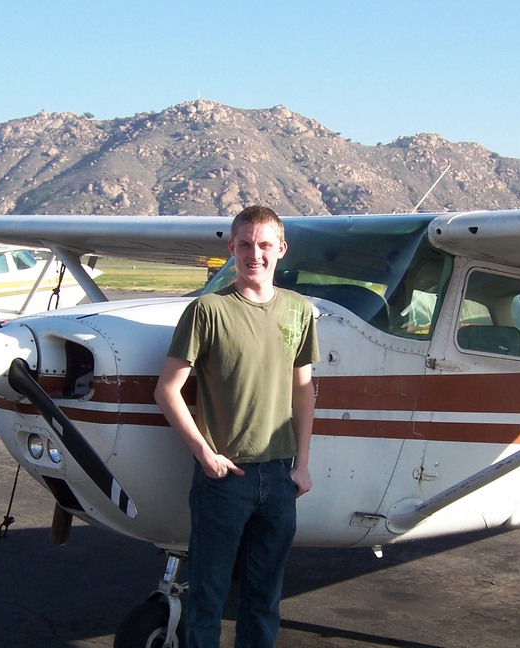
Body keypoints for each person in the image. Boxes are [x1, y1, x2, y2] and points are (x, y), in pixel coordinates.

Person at [154, 205, 319, 647]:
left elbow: (303, 391)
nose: (255, 254)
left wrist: (302, 465)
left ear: (281, 249)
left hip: (280, 477)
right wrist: (205, 455)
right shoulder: (206, 310)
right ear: (231, 249)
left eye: (265, 245)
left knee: (264, 600)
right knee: (207, 599)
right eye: (245, 244)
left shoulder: (299, 310)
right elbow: (167, 390)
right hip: (225, 478)